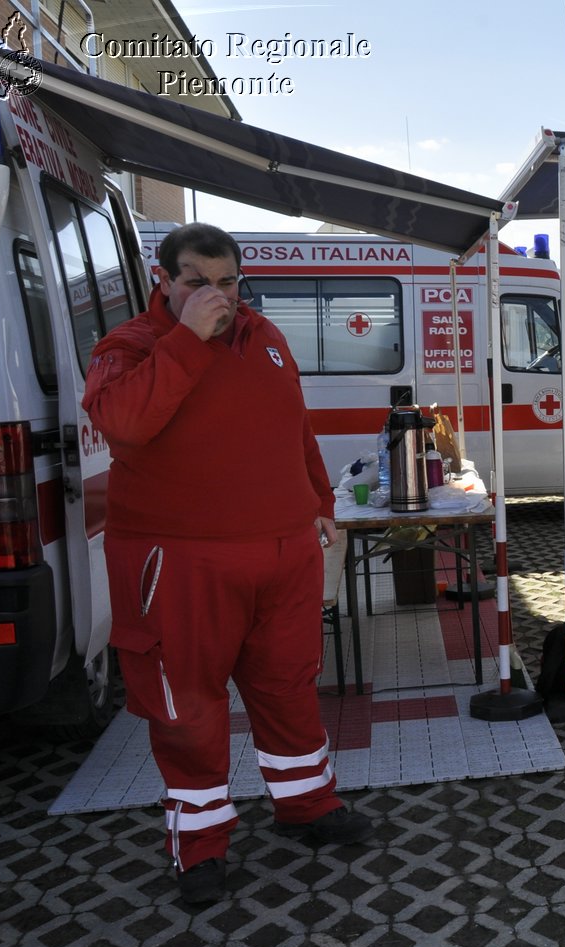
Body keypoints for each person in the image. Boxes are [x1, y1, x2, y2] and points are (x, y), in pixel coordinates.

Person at [83, 222, 372, 908]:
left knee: (287, 684)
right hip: (180, 560)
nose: (217, 295)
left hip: (281, 551)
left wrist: (320, 497)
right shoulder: (128, 347)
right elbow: (122, 422)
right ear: (164, 281)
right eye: (197, 281)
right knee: (187, 706)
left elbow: (294, 423)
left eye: (227, 282)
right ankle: (201, 845)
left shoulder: (265, 338)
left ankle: (306, 803)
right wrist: (188, 337)